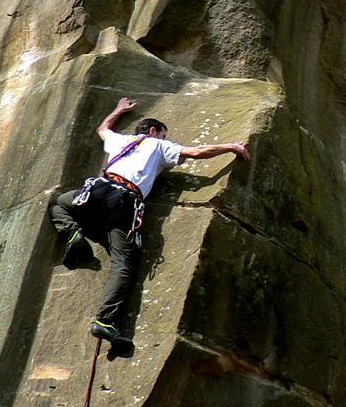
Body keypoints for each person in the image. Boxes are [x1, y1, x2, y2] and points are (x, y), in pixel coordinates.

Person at [49, 97, 250, 351]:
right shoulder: (157, 145)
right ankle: (105, 320)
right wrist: (229, 146)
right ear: (154, 131)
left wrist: (118, 110)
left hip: (97, 191)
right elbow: (197, 153)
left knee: (59, 203)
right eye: (164, 135)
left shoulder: (122, 140)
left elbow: (102, 129)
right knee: (123, 264)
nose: (165, 139)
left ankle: (73, 234)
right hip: (123, 201)